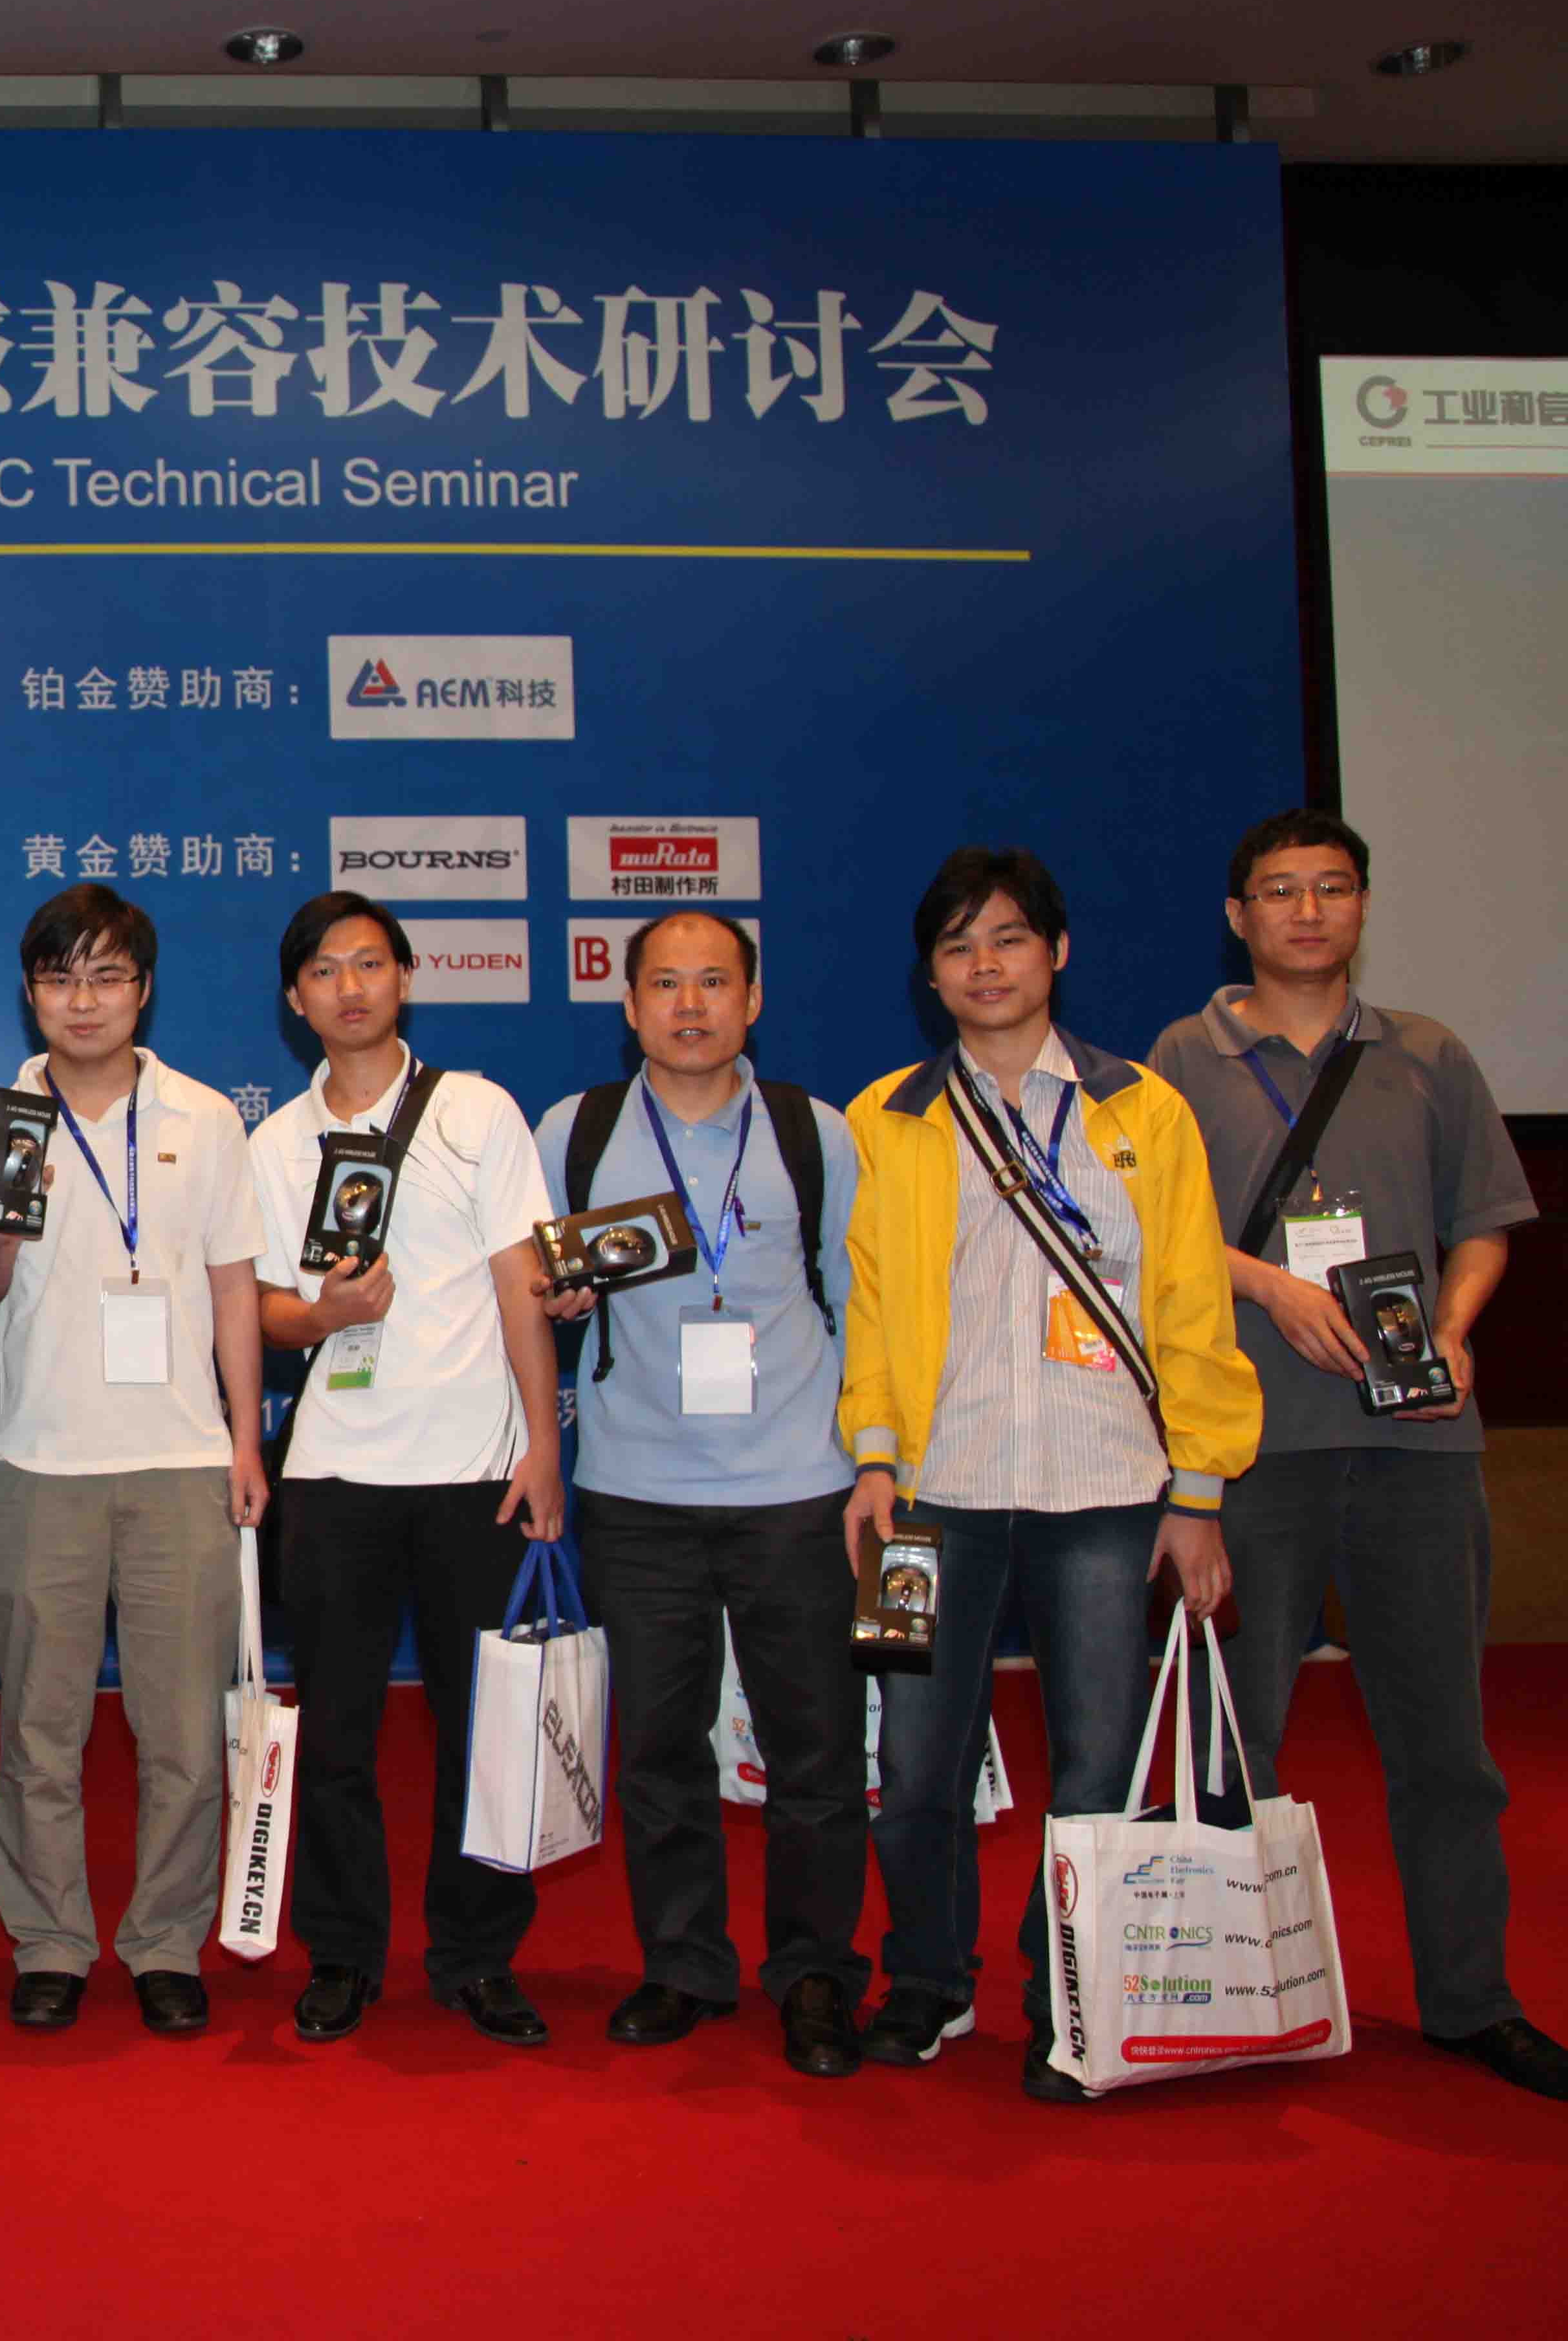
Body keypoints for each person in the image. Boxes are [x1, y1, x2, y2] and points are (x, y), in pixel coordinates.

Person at [1145, 809, 1564, 2102]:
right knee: (1236, 1739)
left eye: (1332, 889)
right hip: (1249, 1451)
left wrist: (1455, 1327)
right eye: (1281, 892)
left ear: (1363, 908)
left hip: (1416, 1446)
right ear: (1239, 917)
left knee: (1447, 1747)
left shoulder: (1428, 1053)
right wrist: (1268, 1286)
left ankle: (1473, 2002)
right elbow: (1154, 1234)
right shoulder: (1181, 1059)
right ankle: (1230, 1998)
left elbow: (1484, 1222)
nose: (1308, 912)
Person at [840, 847, 1257, 2102]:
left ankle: (1069, 1996)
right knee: (914, 1764)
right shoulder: (886, 1117)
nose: (986, 965)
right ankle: (928, 1981)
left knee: (1097, 1765)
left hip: (1108, 1492)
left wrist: (1199, 1491)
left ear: (1058, 952)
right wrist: (872, 1456)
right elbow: (868, 1305)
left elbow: (1192, 1306)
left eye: (1010, 937)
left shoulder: (1145, 1112)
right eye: (958, 945)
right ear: (930, 975)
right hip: (927, 1497)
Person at [529, 913, 868, 2077]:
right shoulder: (575, 1132)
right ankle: (683, 1964)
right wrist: (558, 1301)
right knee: (662, 1751)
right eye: (665, 984)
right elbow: (534, 1284)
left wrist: (878, 1461)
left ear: (752, 1000)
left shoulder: (813, 1134)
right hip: (638, 1490)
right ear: (628, 1006)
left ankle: (815, 1972)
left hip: (798, 1487)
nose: (689, 1005)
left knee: (816, 1749)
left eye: (714, 981)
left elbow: (856, 1303)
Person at [250, 893, 566, 2050]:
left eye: (370, 963)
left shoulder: (479, 1112)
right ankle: (343, 1953)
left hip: (475, 1474)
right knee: (337, 1736)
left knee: (482, 1731)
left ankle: (478, 1955)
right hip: (334, 1478)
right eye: (325, 970)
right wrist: (322, 1316)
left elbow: (523, 1283)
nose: (351, 987)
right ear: (296, 999)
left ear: (405, 977)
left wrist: (545, 1446)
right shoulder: (274, 1145)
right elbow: (265, 1311)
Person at [0, 887, 267, 2039]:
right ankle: (50, 1940)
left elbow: (235, 1288)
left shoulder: (208, 1117)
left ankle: (164, 1941)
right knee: (38, 1731)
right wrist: (1, 1225)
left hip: (183, 1463)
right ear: (29, 994)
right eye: (59, 979)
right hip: (31, 1464)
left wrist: (246, 1439)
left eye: (105, 976)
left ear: (143, 989)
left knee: (184, 1733)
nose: (82, 1001)